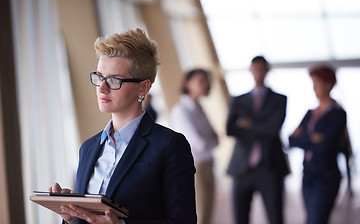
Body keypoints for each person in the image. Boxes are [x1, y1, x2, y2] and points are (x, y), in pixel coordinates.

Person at [48, 29, 197, 224]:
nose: (102, 87)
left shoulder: (170, 146)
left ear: (143, 87)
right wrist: (71, 218)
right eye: (100, 77)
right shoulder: (88, 148)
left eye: (114, 80)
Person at [226, 56, 289, 224]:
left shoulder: (280, 99)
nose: (258, 73)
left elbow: (274, 128)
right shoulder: (238, 100)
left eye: (262, 69)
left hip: (270, 165)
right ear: (250, 71)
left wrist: (248, 124)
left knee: (275, 217)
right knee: (240, 218)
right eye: (255, 69)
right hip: (242, 167)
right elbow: (230, 129)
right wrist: (263, 125)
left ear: (267, 71)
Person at [289, 65, 347, 224]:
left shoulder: (338, 113)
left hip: (326, 176)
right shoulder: (310, 113)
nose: (314, 87)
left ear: (329, 84)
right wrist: (312, 138)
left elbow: (326, 145)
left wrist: (304, 139)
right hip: (308, 174)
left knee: (317, 220)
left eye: (317, 83)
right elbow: (291, 140)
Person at [170, 69, 218, 224]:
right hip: (195, 166)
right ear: (187, 83)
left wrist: (211, 139)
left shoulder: (199, 107)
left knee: (209, 210)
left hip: (208, 162)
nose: (205, 84)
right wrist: (211, 138)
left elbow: (216, 139)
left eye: (206, 80)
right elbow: (199, 143)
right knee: (200, 212)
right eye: (201, 80)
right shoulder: (181, 111)